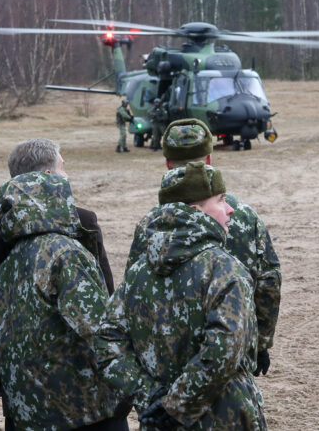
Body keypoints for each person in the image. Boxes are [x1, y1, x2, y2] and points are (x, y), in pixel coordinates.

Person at [95, 162, 266, 429]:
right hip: (223, 417)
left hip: (158, 421)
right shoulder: (224, 269)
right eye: (221, 200)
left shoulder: (138, 271)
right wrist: (175, 405)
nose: (230, 208)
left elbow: (107, 343)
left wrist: (152, 395)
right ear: (197, 212)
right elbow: (224, 349)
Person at [128, 118, 282, 376]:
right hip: (231, 351)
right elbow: (268, 280)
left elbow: (133, 291)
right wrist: (262, 342)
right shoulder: (242, 214)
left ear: (167, 163)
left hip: (166, 355)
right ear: (209, 159)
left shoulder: (151, 224)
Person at [0, 171, 127, 431]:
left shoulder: (11, 261)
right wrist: (132, 387)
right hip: (82, 411)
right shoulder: (65, 253)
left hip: (30, 412)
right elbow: (98, 330)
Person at [0, 138, 114, 294]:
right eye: (62, 168)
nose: (66, 175)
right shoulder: (81, 220)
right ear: (48, 175)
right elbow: (103, 285)